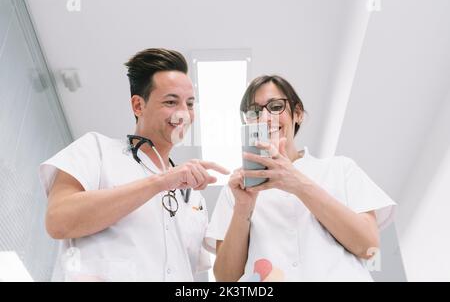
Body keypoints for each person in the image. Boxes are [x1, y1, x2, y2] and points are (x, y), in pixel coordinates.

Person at [39, 48, 229, 281]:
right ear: (138, 106)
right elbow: (58, 220)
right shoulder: (97, 150)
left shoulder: (193, 197)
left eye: (189, 104)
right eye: (171, 102)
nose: (184, 114)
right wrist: (160, 182)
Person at [206, 75, 396, 282]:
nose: (265, 118)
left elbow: (369, 248)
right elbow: (225, 279)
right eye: (254, 112)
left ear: (297, 113)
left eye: (276, 106)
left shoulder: (341, 169)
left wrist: (297, 183)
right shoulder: (237, 189)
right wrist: (243, 207)